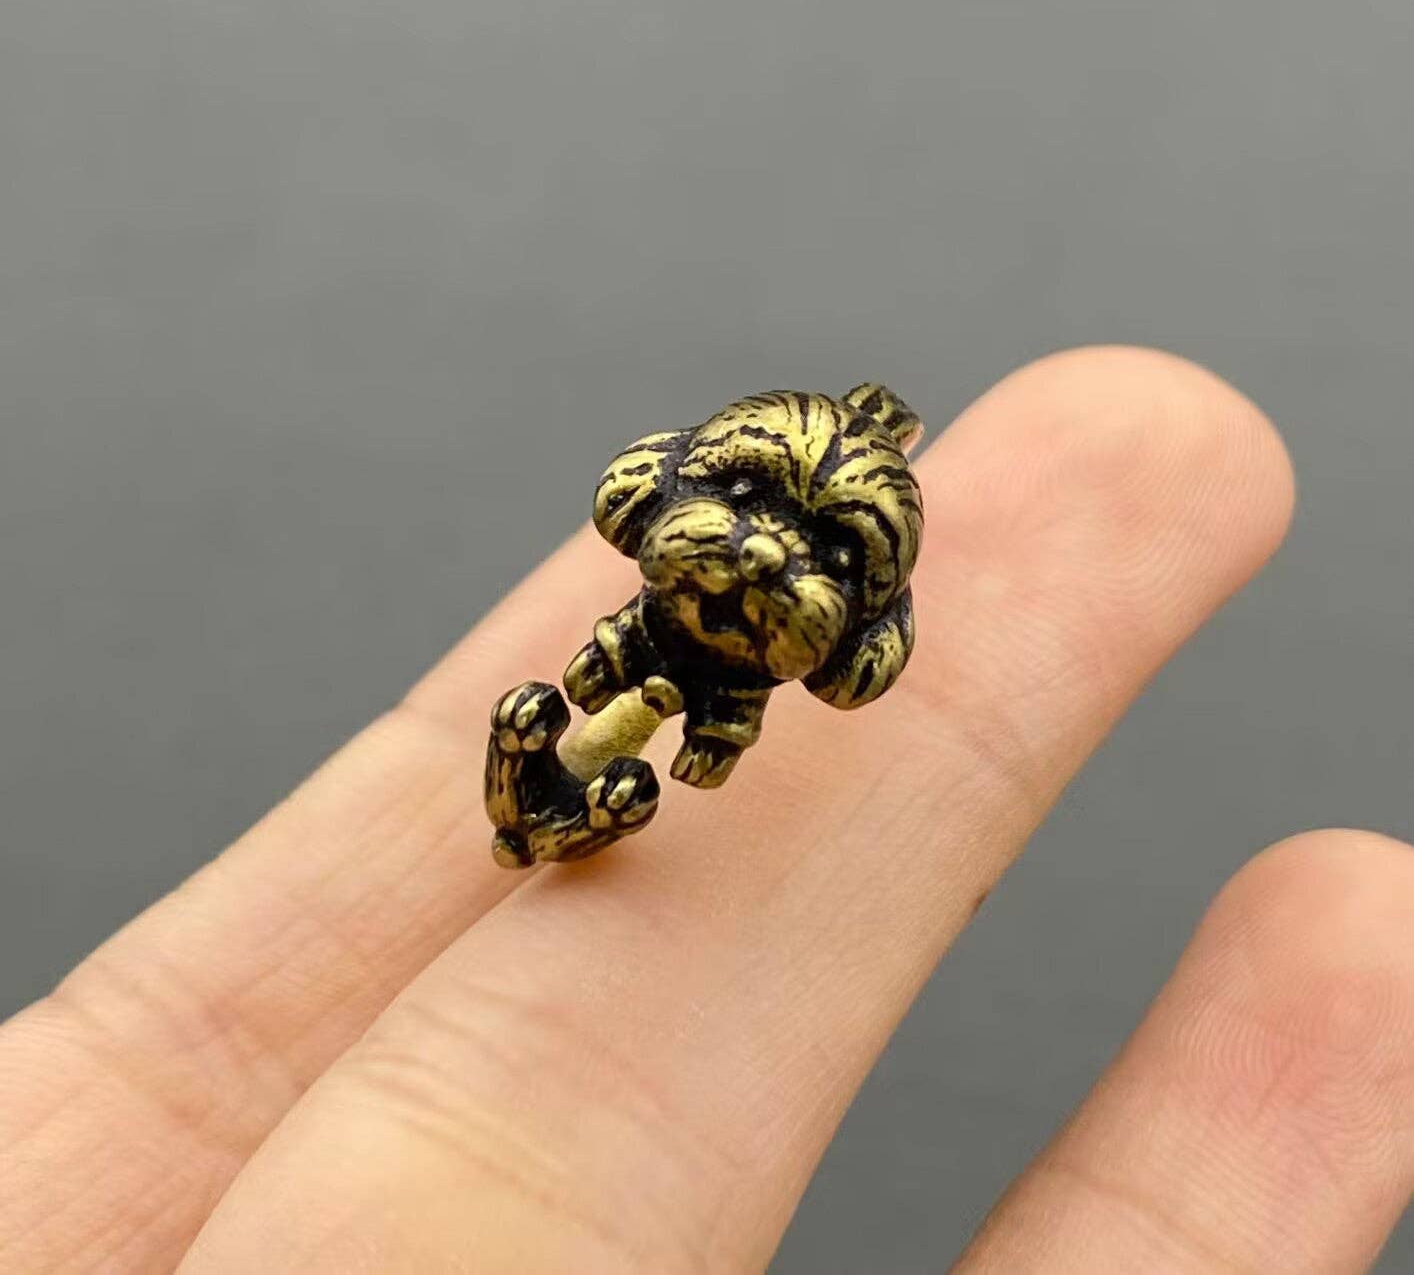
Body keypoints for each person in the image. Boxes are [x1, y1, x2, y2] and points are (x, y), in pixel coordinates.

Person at [0, 348, 1409, 1273]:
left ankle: (556, 800)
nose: (759, 558)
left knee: (659, 758)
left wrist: (697, 739)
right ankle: (540, 794)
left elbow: (721, 748)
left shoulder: (793, 663)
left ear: (868, 620)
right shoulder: (645, 599)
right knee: (578, 730)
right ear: (659, 484)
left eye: (828, 555)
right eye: (738, 498)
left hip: (705, 708)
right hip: (632, 681)